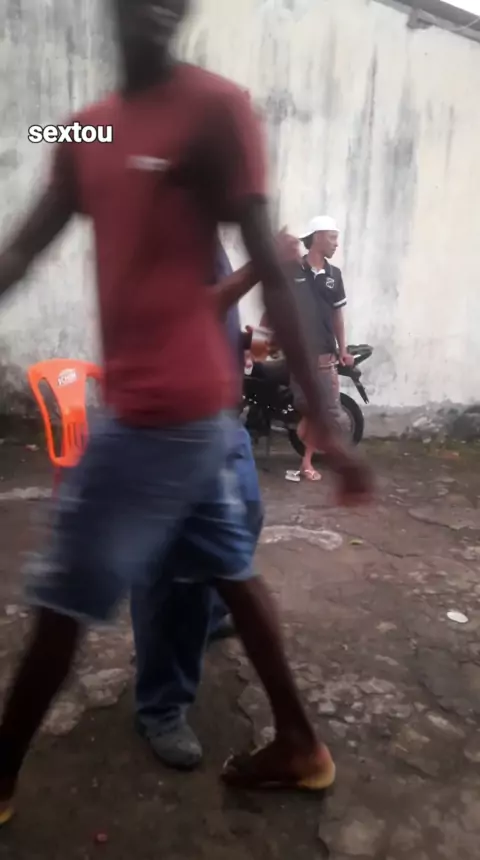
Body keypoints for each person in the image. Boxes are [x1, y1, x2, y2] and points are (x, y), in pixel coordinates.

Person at [0, 0, 371, 825]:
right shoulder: (90, 129)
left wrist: (321, 417)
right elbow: (28, 236)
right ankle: (297, 741)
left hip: (173, 413)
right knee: (225, 571)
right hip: (169, 412)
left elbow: (267, 279)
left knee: (69, 595)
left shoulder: (214, 111)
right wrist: (47, 135)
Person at [132, 237, 297, 771]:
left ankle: (208, 616)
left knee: (245, 516)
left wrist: (249, 341)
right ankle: (161, 706)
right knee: (175, 569)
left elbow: (215, 316)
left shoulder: (208, 234)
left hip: (220, 421)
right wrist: (261, 264)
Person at [291, 216, 354, 482]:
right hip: (298, 357)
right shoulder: (292, 271)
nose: (336, 243)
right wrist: (257, 348)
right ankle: (308, 446)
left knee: (325, 412)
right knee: (305, 407)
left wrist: (343, 349)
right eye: (332, 237)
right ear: (317, 237)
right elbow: (273, 311)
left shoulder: (334, 276)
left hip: (325, 357)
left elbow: (337, 315)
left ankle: (307, 462)